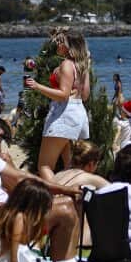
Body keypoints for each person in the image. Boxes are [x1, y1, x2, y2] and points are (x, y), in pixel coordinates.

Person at [0, 102, 83, 259]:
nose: (0, 132)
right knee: (65, 211)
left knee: (70, 201)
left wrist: (64, 189)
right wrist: (21, 207)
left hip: (6, 214)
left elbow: (20, 177)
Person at [25, 30, 92, 182]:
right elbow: (85, 95)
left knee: (45, 166)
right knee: (70, 166)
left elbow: (62, 95)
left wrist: (37, 86)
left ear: (70, 47)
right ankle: (71, 193)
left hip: (64, 114)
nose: (58, 44)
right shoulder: (82, 66)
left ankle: (59, 194)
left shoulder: (67, 65)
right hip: (78, 113)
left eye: (62, 42)